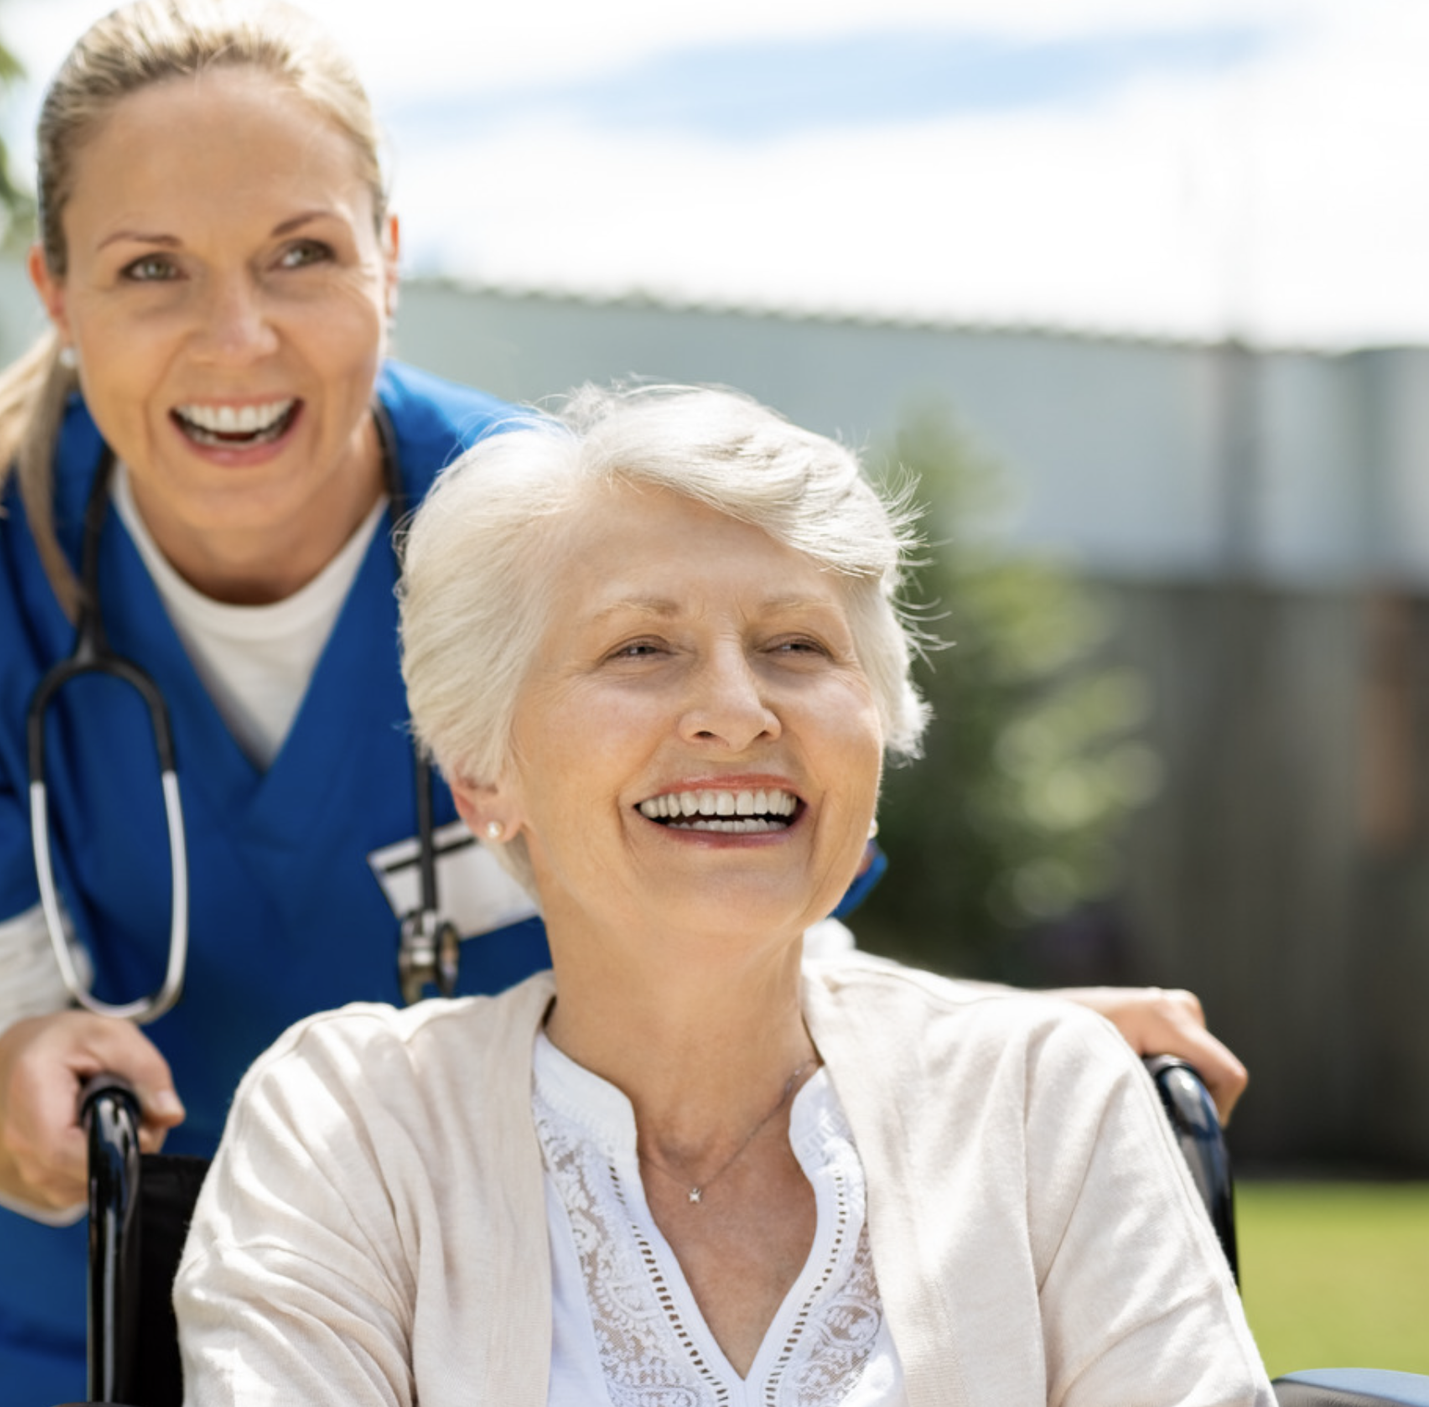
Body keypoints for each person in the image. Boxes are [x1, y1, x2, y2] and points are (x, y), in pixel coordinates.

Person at [0, 4, 1247, 1402]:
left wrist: (994, 1069)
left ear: (386, 259)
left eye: (299, 253)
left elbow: (739, 862)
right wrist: (21, 1085)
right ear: (55, 293)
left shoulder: (559, 542)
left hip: (522, 1278)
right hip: (81, 1298)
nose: (236, 335)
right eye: (151, 270)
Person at [172, 385, 1272, 1405]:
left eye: (797, 645)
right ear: (482, 771)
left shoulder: (1041, 1100)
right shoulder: (347, 1126)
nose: (739, 710)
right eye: (642, 648)